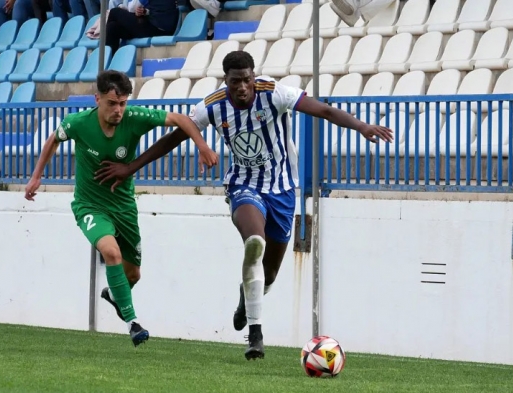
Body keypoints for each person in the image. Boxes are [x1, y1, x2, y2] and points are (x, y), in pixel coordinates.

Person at [92, 52, 394, 359]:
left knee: (270, 273)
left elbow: (325, 110)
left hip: (283, 191)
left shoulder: (274, 92)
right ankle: (256, 336)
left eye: (247, 79)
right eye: (236, 81)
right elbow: (175, 137)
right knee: (254, 242)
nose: (243, 87)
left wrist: (361, 126)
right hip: (244, 186)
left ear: (253, 76)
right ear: (226, 80)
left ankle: (245, 297)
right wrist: (131, 167)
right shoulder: (213, 105)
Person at [24, 70, 219, 347]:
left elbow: (179, 119)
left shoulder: (134, 118)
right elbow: (53, 139)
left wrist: (201, 145)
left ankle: (115, 296)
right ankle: (133, 323)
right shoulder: (79, 123)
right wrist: (36, 176)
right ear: (98, 99)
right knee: (111, 252)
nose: (119, 110)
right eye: (112, 103)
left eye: (123, 103)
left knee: (133, 275)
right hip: (90, 205)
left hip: (124, 206)